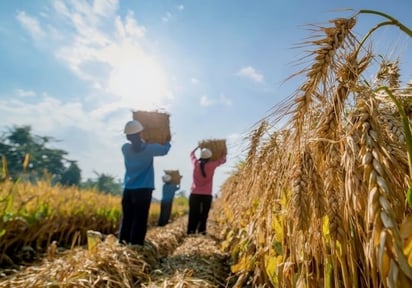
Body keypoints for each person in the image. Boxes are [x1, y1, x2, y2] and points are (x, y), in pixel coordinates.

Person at [119, 120, 171, 246]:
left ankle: (123, 242)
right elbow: (165, 150)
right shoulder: (149, 149)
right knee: (140, 219)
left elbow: (139, 144)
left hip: (128, 190)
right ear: (140, 133)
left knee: (127, 218)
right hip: (143, 190)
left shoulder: (125, 148)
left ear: (127, 136)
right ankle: (136, 244)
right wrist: (168, 140)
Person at [187, 146, 226, 235]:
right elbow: (223, 160)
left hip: (194, 193)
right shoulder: (212, 165)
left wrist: (196, 148)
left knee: (193, 213)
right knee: (204, 214)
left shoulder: (196, 163)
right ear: (209, 157)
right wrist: (224, 151)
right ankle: (201, 231)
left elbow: (191, 155)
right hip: (206, 195)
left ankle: (190, 231)